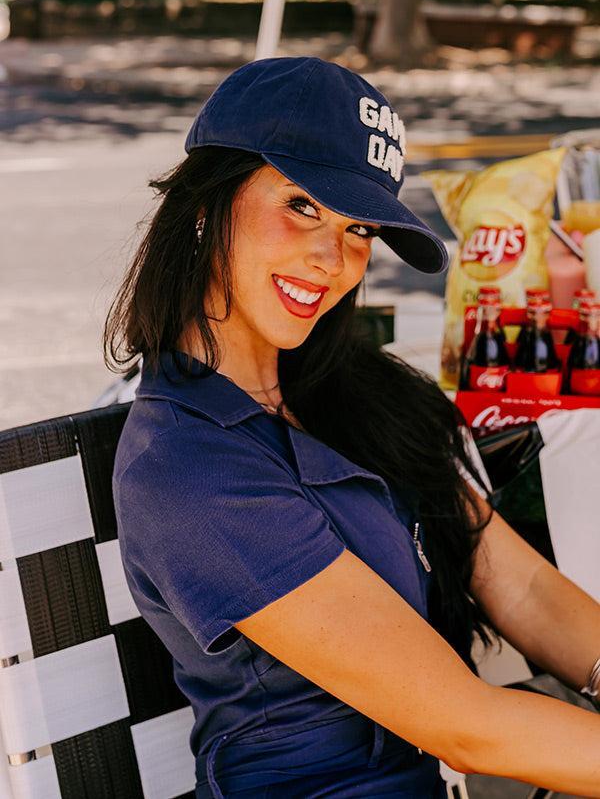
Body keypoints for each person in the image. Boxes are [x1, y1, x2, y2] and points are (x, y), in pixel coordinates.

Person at [106, 57, 600, 799]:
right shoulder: (189, 468)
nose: (333, 259)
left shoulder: (356, 395)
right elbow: (465, 727)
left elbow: (517, 583)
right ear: (208, 204)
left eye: (359, 227)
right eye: (302, 206)